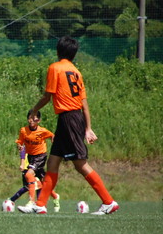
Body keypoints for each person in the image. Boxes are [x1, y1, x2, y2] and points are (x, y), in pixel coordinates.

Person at [18, 36, 118, 215]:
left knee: (80, 164)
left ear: (58, 51)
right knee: (53, 162)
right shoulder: (76, 72)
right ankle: (40, 205)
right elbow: (84, 104)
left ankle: (108, 202)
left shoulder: (55, 68)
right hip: (72, 118)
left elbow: (47, 96)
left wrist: (34, 110)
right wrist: (88, 127)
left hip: (69, 119)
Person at [13, 110, 60, 212]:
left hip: (40, 156)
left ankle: (31, 202)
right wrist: (20, 147)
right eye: (29, 118)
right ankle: (55, 196)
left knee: (29, 175)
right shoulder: (23, 130)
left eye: (34, 118)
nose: (31, 120)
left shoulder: (42, 131)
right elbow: (20, 143)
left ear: (38, 120)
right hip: (31, 157)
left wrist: (54, 141)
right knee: (43, 181)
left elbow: (52, 135)